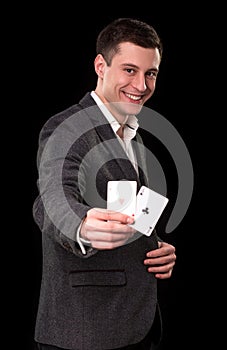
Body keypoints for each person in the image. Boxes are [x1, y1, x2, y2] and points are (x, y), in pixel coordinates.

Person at [33, 17, 176, 350]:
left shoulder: (132, 134)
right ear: (101, 65)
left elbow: (130, 213)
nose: (141, 85)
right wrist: (80, 226)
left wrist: (155, 246)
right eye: (129, 70)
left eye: (150, 73)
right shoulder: (67, 128)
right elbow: (53, 198)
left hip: (136, 323)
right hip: (86, 330)